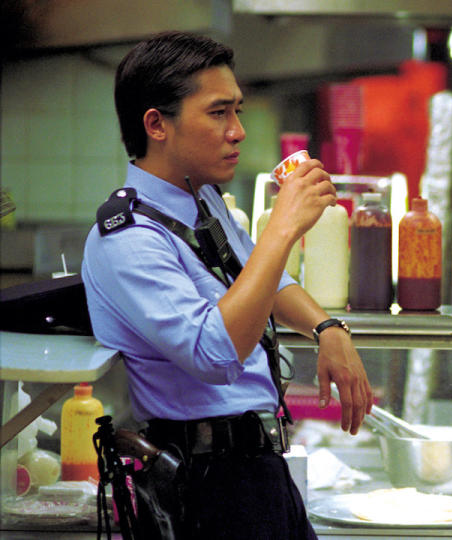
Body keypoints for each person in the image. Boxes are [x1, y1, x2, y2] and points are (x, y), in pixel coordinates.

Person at [82, 31, 372, 538]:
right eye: (219, 113)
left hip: (258, 468)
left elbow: (263, 278)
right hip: (201, 483)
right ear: (157, 124)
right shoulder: (126, 238)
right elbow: (214, 354)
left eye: (237, 110)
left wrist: (326, 327)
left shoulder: (205, 201)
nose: (237, 131)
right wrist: (282, 227)